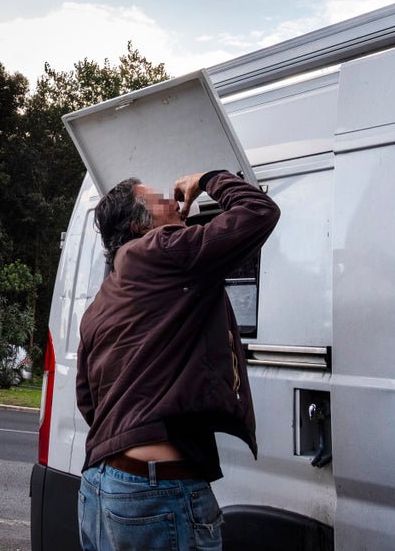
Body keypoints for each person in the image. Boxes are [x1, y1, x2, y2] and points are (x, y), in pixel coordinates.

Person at [76, 170, 280, 551]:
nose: (174, 202)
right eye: (159, 200)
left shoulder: (103, 299)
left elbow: (89, 400)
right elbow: (259, 211)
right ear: (140, 224)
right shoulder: (164, 249)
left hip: (99, 487)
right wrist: (206, 179)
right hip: (156, 490)